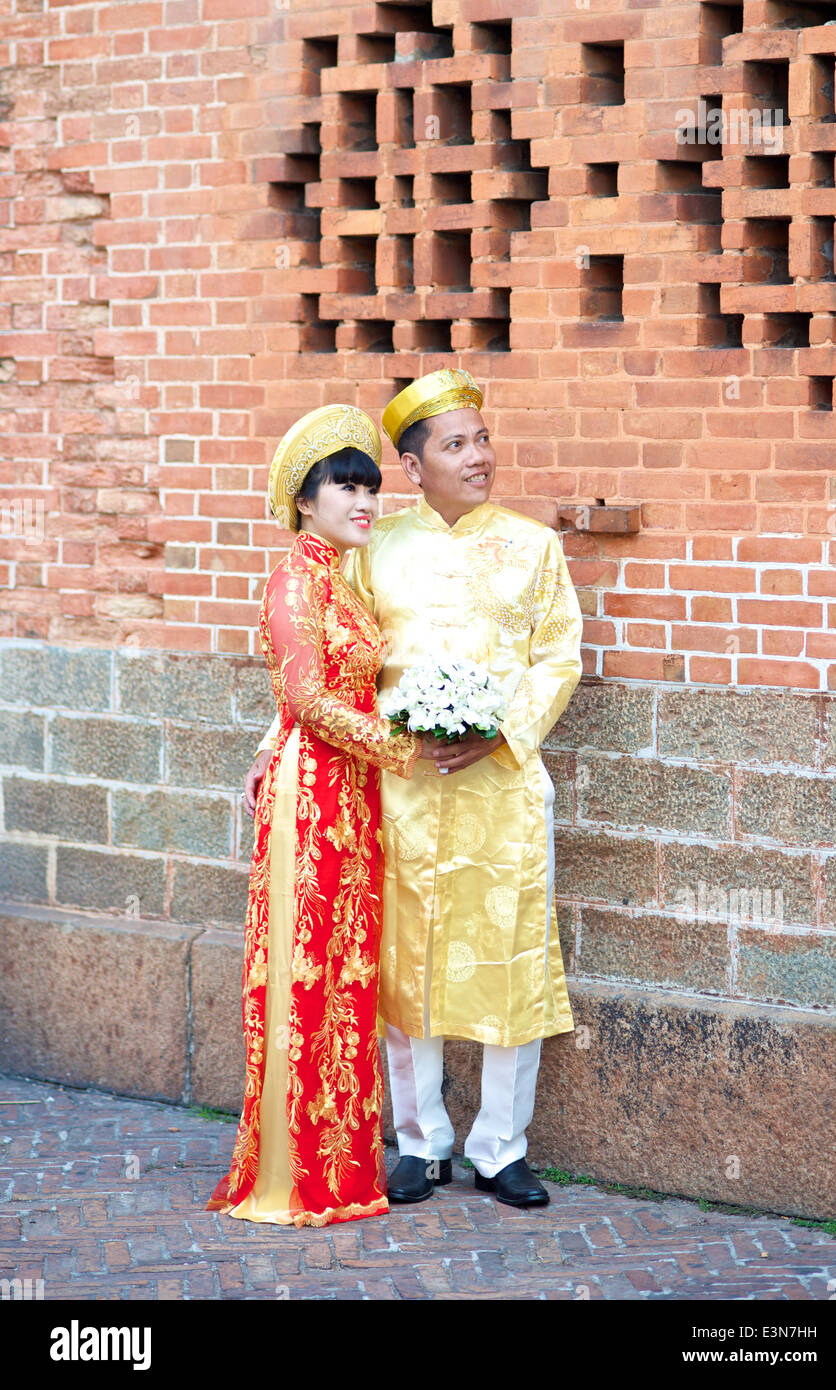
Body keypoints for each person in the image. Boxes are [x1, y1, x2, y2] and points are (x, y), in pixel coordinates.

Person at [249, 369, 583, 1208]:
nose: (480, 457)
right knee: (404, 962)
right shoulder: (375, 546)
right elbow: (328, 661)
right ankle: (419, 1140)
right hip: (393, 791)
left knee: (510, 960)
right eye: (457, 444)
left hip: (500, 787)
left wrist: (501, 730)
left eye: (482, 439)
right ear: (412, 465)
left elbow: (558, 658)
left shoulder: (534, 546)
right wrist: (272, 741)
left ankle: (501, 1148)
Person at [207, 404, 422, 1228]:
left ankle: (337, 1171)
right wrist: (402, 746)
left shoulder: (339, 576)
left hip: (354, 795)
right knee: (304, 974)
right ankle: (290, 1177)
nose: (365, 502)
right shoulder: (294, 578)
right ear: (305, 499)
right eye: (345, 487)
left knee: (346, 978)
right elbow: (303, 697)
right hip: (314, 794)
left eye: (371, 489)